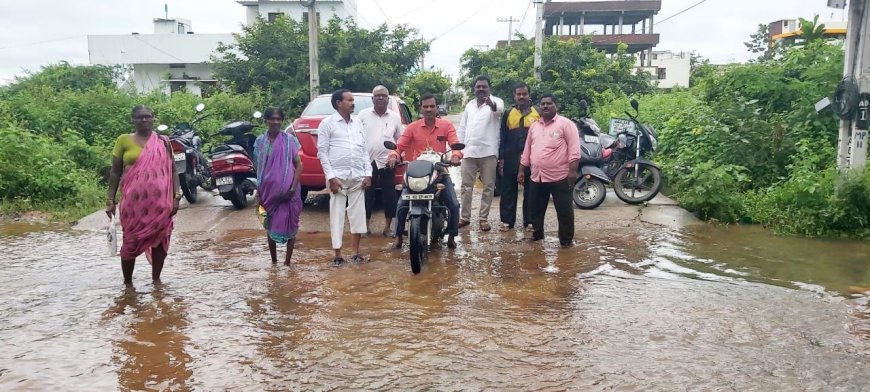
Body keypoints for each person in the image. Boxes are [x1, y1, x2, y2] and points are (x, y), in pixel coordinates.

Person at [106, 105, 181, 284]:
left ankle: (156, 281)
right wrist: (110, 199)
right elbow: (115, 172)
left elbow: (174, 171)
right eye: (140, 117)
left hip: (161, 204)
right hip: (132, 206)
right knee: (130, 243)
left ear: (153, 118)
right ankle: (128, 284)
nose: (144, 120)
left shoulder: (163, 141)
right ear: (133, 119)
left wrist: (176, 197)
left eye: (148, 117)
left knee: (160, 241)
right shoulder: (124, 140)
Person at [388, 93, 462, 249]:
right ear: (420, 108)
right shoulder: (412, 127)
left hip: (439, 171)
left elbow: (455, 144)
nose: (429, 109)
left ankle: (452, 236)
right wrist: (393, 156)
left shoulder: (446, 125)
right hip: (417, 172)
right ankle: (399, 237)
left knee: (454, 205)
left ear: (437, 108)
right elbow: (399, 146)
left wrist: (455, 155)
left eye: (432, 106)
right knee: (401, 203)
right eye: (425, 106)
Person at [317, 89, 372, 266]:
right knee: (337, 215)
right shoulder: (327, 123)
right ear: (339, 103)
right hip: (337, 178)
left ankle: (355, 252)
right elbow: (322, 153)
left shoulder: (357, 123)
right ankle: (337, 254)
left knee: (358, 215)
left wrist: (368, 173)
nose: (352, 103)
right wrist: (331, 177)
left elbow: (364, 150)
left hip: (357, 176)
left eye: (352, 100)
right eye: (349, 100)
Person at [518, 94, 581, 247]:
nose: (545, 106)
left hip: (560, 177)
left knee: (564, 212)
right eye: (543, 104)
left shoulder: (566, 124)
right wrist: (521, 170)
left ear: (555, 105)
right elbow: (527, 150)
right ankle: (537, 235)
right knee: (535, 210)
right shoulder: (534, 125)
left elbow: (574, 150)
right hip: (537, 177)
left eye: (549, 103)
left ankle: (566, 242)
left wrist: (572, 171)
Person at [254, 107, 303, 266]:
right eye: (272, 119)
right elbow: (259, 167)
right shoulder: (260, 142)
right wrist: (259, 190)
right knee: (270, 224)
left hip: (290, 192)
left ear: (282, 121)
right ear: (266, 120)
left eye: (278, 119)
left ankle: (287, 263)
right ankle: (274, 262)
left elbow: (298, 165)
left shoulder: (289, 141)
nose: (275, 122)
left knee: (291, 222)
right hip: (268, 193)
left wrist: (293, 188)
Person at [457, 75, 504, 232]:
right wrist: (459, 149)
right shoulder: (469, 105)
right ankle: (464, 217)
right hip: (469, 152)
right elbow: (462, 128)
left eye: (484, 86)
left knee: (488, 187)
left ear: (489, 88)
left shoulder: (496, 101)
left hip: (488, 152)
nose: (481, 89)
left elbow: (498, 110)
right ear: (474, 89)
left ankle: (483, 218)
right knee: (465, 186)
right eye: (478, 86)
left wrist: (491, 104)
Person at [359, 85, 404, 237]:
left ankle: (387, 228)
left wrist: (396, 156)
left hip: (387, 162)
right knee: (367, 194)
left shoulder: (394, 117)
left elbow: (400, 140)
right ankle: (364, 227)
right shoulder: (363, 115)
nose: (380, 98)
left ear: (388, 99)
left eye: (383, 95)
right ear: (372, 99)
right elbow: (357, 137)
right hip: (367, 161)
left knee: (389, 194)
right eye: (377, 95)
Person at [498, 82, 540, 232]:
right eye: (518, 94)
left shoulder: (537, 113)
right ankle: (507, 221)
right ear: (514, 96)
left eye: (524, 94)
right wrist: (501, 158)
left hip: (532, 158)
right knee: (508, 190)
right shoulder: (508, 114)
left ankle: (530, 221)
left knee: (531, 190)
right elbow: (502, 137)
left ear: (529, 96)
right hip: (511, 157)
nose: (521, 96)